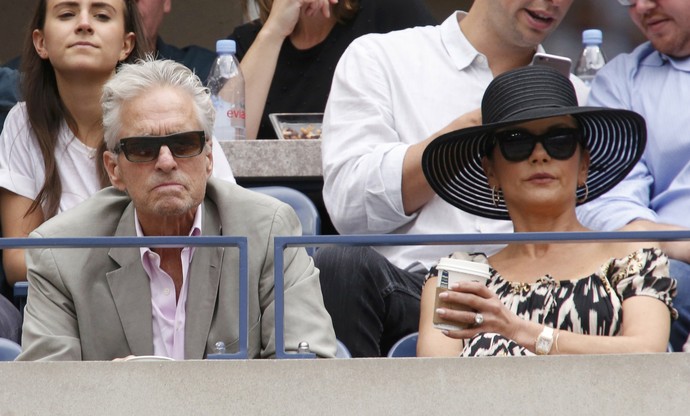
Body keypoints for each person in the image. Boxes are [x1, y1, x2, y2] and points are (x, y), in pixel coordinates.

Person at [17, 57, 336, 361]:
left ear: (209, 157)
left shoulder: (268, 230)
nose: (167, 162)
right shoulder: (60, 252)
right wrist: (112, 389)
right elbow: (47, 390)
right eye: (143, 148)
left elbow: (306, 369)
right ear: (114, 170)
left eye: (183, 144)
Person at [317, 0, 587, 357]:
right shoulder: (381, 58)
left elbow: (595, 219)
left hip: (540, 290)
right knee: (339, 265)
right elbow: (350, 210)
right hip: (413, 287)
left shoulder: (575, 94)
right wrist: (455, 145)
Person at [417, 65, 676, 357]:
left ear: (583, 165)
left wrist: (518, 330)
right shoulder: (461, 276)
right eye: (517, 142)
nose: (540, 155)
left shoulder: (631, 253)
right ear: (491, 171)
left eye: (559, 140)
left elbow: (647, 354)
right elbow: (436, 385)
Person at [0, 0, 234, 288]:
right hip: (62, 312)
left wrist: (72, 257)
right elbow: (17, 262)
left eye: (101, 15)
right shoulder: (23, 123)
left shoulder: (175, 115)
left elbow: (231, 240)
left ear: (127, 44)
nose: (84, 24)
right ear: (41, 42)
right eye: (67, 14)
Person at [576, 0, 690, 352]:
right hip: (672, 267)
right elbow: (604, 203)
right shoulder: (622, 80)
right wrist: (682, 243)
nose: (642, 6)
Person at [229, 0, 437, 139]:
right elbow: (222, 146)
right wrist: (274, 30)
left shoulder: (392, 13)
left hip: (367, 195)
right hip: (267, 198)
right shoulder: (248, 41)